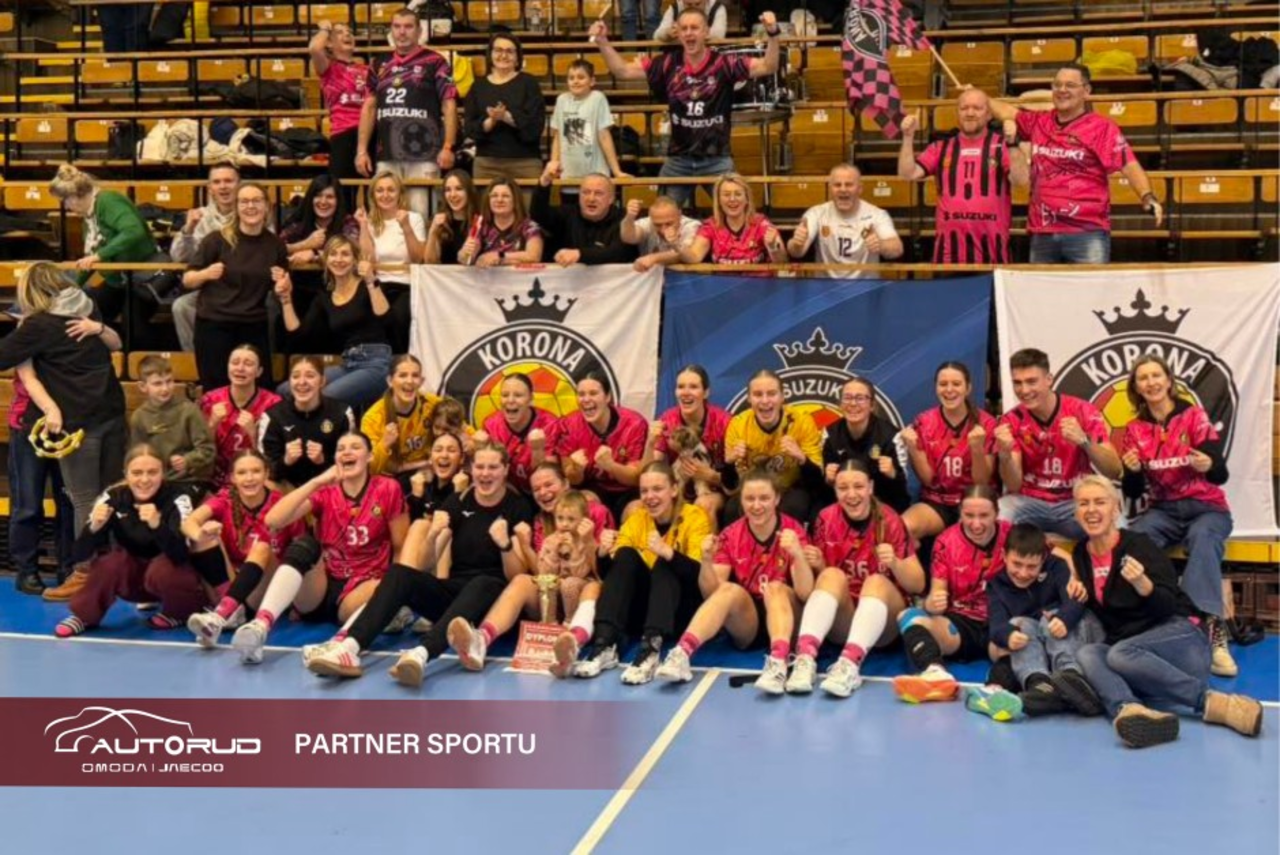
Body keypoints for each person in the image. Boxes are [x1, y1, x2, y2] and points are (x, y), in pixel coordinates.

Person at [304, 442, 534, 686]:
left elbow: (516, 576)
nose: (485, 474)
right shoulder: (458, 501)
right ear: (471, 469)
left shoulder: (517, 507)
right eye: (480, 467)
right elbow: (424, 564)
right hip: (456, 597)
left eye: (493, 467)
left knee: (484, 582)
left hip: (493, 604)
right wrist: (433, 534)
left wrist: (504, 545)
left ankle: (421, 654)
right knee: (400, 574)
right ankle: (350, 647)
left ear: (505, 470)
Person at [1070, 476, 1262, 749]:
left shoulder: (1139, 545)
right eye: (1083, 503)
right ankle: (1131, 710)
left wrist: (1143, 585)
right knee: (1088, 653)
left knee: (1119, 654)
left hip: (1182, 641)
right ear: (1075, 512)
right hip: (1138, 658)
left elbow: (1169, 605)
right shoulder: (1080, 553)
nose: (1091, 510)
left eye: (1099, 502)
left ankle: (1216, 703)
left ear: (1115, 509)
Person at [0, 262, 126, 603]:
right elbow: (114, 344)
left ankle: (85, 571)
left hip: (78, 421)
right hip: (111, 413)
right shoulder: (87, 307)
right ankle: (118, 568)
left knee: (84, 499)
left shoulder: (39, 324)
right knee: (111, 494)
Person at [231, 432, 409, 664]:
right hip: (320, 589)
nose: (347, 451)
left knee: (384, 585)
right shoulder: (326, 491)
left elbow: (400, 545)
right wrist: (317, 481)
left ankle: (339, 644)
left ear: (369, 456)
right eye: (341, 448)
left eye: (355, 447)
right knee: (305, 544)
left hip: (360, 591)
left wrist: (394, 595)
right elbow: (273, 520)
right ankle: (260, 626)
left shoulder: (387, 488)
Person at [590, 9, 781, 210]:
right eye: (684, 28)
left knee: (737, 212)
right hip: (678, 160)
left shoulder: (724, 63)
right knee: (663, 213)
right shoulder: (666, 63)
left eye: (695, 28)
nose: (689, 33)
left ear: (706, 32)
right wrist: (602, 41)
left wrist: (773, 34)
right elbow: (622, 71)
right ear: (678, 33)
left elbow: (769, 66)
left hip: (717, 159)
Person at [1121, 355, 1237, 677]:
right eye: (1143, 378)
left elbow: (1220, 474)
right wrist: (1132, 472)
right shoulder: (1134, 430)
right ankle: (1153, 623)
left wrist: (1209, 464)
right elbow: (1132, 492)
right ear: (1136, 387)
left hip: (1206, 507)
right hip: (1164, 511)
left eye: (1156, 375)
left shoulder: (1193, 416)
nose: (1151, 382)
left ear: (1169, 380)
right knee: (1135, 543)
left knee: (1203, 538)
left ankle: (1210, 630)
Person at [653, 468, 812, 694]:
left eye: (764, 498)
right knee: (728, 589)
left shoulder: (792, 531)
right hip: (749, 624)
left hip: (787, 615)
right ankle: (682, 653)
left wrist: (797, 553)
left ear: (777, 499)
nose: (756, 505)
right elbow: (712, 595)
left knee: (775, 588)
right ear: (741, 501)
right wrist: (706, 560)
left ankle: (779, 662)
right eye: (750, 499)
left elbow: (805, 593)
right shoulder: (731, 534)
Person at [986, 65, 1163, 263]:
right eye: (1057, 85)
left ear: (1086, 91)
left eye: (1070, 85)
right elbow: (1007, 111)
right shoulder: (1039, 122)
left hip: (1087, 232)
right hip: (1042, 232)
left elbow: (1128, 164)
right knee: (1042, 285)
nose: (1062, 90)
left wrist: (1147, 195)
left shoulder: (1102, 128)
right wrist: (978, 96)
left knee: (1089, 285)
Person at [788, 459, 925, 697]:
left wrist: (895, 562)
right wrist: (819, 564)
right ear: (835, 490)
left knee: (875, 581)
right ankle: (805, 659)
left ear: (871, 487)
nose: (851, 495)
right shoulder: (825, 518)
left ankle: (849, 666)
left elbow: (918, 585)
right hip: (844, 618)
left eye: (859, 486)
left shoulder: (889, 519)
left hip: (883, 624)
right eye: (843, 488)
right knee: (830, 574)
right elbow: (820, 585)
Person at [573, 462, 713, 682]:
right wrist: (602, 554)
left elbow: (699, 577)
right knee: (626, 554)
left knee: (664, 562)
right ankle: (605, 644)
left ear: (674, 489)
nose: (650, 497)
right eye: (644, 491)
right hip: (643, 612)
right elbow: (615, 576)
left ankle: (650, 650)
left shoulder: (695, 516)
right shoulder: (637, 519)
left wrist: (669, 553)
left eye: (657, 489)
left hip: (680, 612)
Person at [53, 444, 201, 638]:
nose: (144, 480)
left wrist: (158, 526)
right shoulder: (113, 497)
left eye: (152, 472)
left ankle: (179, 613)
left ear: (163, 474)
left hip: (171, 580)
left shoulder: (179, 497)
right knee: (111, 563)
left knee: (164, 568)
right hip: (135, 584)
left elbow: (181, 556)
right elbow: (79, 555)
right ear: (126, 474)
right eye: (137, 473)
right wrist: (93, 528)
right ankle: (84, 616)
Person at [447, 490, 602, 672]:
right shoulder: (551, 540)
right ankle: (481, 640)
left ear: (584, 520)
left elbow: (589, 572)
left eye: (571, 519)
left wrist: (577, 548)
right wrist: (554, 552)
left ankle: (572, 644)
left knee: (574, 584)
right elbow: (543, 573)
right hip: (552, 600)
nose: (565, 524)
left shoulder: (590, 539)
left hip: (579, 594)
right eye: (560, 518)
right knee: (522, 580)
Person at [970, 522, 1104, 721]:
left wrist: (1064, 619)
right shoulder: (996, 585)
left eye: (1032, 566)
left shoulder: (1057, 567)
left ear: (1043, 559)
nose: (1023, 573)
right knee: (1019, 624)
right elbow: (997, 625)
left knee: (1049, 619)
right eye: (1017, 564)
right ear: (1004, 556)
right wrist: (1009, 636)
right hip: (1040, 644)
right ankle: (1040, 684)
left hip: (1078, 634)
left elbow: (1076, 600)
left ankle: (1072, 676)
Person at [892, 486, 1008, 704]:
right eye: (969, 515)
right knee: (909, 617)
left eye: (984, 516)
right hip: (961, 625)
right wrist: (933, 603)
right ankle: (935, 674)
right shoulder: (946, 541)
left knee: (1020, 639)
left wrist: (1072, 578)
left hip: (1000, 623)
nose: (976, 524)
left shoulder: (1012, 535)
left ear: (997, 513)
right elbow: (936, 594)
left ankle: (996, 691)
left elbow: (1051, 555)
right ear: (959, 512)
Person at [996, 348, 1121, 540]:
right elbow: (1014, 484)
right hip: (1030, 501)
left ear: (1049, 379)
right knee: (996, 517)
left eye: (1031, 381)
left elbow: (1114, 471)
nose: (1024, 390)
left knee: (1118, 525)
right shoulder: (1011, 420)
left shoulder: (1082, 411)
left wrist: (1084, 441)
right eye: (1017, 383)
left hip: (1075, 500)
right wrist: (1004, 456)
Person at [183, 449, 306, 645]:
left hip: (266, 588)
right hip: (231, 583)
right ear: (232, 477)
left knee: (261, 548)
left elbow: (301, 551)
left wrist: (297, 604)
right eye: (241, 473)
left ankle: (223, 614)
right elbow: (189, 522)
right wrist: (201, 533)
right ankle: (230, 612)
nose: (249, 478)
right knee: (201, 536)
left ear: (266, 474)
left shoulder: (281, 505)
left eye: (256, 471)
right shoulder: (225, 499)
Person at [898, 89, 1027, 264]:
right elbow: (907, 174)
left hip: (993, 253)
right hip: (948, 254)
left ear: (989, 114)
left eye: (977, 108)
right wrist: (907, 137)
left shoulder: (1002, 146)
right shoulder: (940, 147)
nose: (970, 113)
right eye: (964, 108)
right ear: (957, 113)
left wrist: (1013, 143)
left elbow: (1020, 180)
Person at [183, 182, 288, 390]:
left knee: (260, 390)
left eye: (256, 201)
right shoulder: (216, 240)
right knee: (216, 391)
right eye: (244, 201)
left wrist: (282, 286)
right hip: (214, 325)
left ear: (267, 206)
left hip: (253, 325)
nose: (251, 206)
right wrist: (205, 274)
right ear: (236, 207)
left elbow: (281, 287)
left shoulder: (275, 245)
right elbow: (187, 279)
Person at [49, 164, 163, 349]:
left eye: (65, 201)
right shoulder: (88, 218)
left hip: (141, 277)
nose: (66, 207)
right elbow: (90, 259)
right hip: (118, 280)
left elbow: (133, 230)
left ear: (76, 195)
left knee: (132, 323)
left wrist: (100, 255)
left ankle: (142, 362)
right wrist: (73, 287)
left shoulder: (108, 201)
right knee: (88, 310)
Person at [356, 8, 458, 214]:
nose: (402, 32)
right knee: (384, 218)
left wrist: (448, 146)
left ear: (419, 31)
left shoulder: (436, 61)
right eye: (397, 26)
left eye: (408, 26)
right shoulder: (378, 63)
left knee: (421, 215)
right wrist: (361, 151)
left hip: (424, 154)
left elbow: (449, 105)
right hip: (386, 154)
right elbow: (369, 107)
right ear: (391, 30)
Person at [278, 235, 392, 410]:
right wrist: (286, 299)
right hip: (348, 364)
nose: (339, 259)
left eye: (345, 254)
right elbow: (298, 333)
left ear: (355, 260)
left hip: (376, 363)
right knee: (285, 390)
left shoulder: (367, 286)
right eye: (333, 254)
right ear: (326, 259)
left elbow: (385, 316)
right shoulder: (325, 298)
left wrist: (371, 281)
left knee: (324, 397)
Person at [900, 362, 996, 542]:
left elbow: (981, 482)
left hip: (975, 501)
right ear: (936, 388)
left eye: (956, 384)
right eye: (943, 384)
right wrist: (913, 449)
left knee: (970, 534)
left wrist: (976, 449)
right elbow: (928, 480)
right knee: (903, 528)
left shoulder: (987, 423)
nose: (949, 390)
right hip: (937, 502)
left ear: (968, 388)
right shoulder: (924, 421)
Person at [7, 374, 76, 595]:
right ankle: (26, 571)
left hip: (68, 421)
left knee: (68, 502)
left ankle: (68, 568)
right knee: (27, 504)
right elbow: (25, 375)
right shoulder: (24, 348)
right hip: (27, 424)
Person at [725, 370, 823, 523]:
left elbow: (817, 484)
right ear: (749, 398)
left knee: (794, 505)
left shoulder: (802, 421)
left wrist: (802, 458)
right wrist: (729, 463)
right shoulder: (738, 425)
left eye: (771, 394)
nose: (765, 401)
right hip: (753, 489)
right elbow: (729, 487)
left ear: (782, 396)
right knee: (732, 509)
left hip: (790, 489)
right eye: (758, 394)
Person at [556, 372, 647, 523]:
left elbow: (636, 478)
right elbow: (572, 480)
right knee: (583, 505)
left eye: (593, 393)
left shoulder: (634, 423)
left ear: (607, 397)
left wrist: (611, 466)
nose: (586, 399)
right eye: (581, 394)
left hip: (628, 491)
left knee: (637, 511)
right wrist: (576, 469)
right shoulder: (568, 425)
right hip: (592, 488)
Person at [646, 364, 731, 523]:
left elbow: (738, 478)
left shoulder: (724, 422)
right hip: (677, 488)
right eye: (681, 387)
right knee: (644, 506)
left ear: (706, 392)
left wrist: (711, 476)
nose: (685, 392)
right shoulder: (666, 420)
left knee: (703, 505)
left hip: (716, 490)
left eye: (693, 387)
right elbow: (652, 470)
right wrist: (650, 443)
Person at [170, 163, 240, 352]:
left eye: (228, 181)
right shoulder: (200, 216)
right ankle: (194, 361)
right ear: (210, 188)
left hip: (245, 287)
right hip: (211, 287)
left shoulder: (250, 211)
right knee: (182, 306)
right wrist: (189, 229)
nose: (223, 187)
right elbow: (178, 257)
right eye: (217, 182)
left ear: (239, 185)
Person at [786, 164, 905, 275]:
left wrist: (880, 245)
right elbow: (796, 252)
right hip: (826, 287)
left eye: (849, 185)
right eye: (837, 185)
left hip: (865, 287)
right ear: (830, 189)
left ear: (860, 189)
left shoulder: (877, 215)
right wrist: (797, 243)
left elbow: (897, 249)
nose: (843, 189)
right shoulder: (816, 213)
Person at [259, 356, 356, 489]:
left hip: (329, 486)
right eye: (295, 376)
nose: (302, 382)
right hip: (288, 489)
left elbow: (350, 465)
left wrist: (322, 461)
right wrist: (285, 461)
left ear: (322, 381)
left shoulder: (341, 413)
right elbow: (265, 470)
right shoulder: (273, 416)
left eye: (310, 376)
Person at [465, 34, 546, 193]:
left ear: (517, 57)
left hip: (525, 163)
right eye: (498, 50)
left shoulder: (529, 84)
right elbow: (469, 128)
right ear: (490, 54)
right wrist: (490, 121)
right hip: (487, 164)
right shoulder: (478, 87)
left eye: (509, 51)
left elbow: (535, 127)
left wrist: (507, 117)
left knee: (528, 208)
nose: (503, 55)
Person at [357, 171, 425, 353]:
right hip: (377, 284)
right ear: (373, 195)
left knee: (397, 318)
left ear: (399, 193)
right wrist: (363, 225)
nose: (385, 195)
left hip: (406, 285)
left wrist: (406, 226)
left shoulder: (414, 218)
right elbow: (369, 260)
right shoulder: (369, 221)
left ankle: (398, 361)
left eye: (390, 190)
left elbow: (418, 258)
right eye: (379, 190)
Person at [198, 345, 281, 490]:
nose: (240, 368)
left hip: (254, 479)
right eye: (235, 362)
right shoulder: (209, 400)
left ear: (259, 371)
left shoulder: (273, 404)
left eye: (248, 364)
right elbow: (200, 452)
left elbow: (273, 460)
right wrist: (213, 424)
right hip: (214, 480)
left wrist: (254, 434)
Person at [548, 59, 628, 211]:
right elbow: (558, 137)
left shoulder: (597, 98)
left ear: (592, 81)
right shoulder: (561, 100)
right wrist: (553, 163)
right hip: (569, 176)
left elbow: (604, 136)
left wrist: (616, 171)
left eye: (581, 77)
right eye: (571, 78)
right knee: (570, 217)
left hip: (595, 175)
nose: (575, 81)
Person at [822, 376, 909, 513]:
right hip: (844, 504)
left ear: (872, 405)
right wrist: (828, 478)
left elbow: (902, 487)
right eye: (847, 397)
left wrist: (893, 474)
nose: (853, 403)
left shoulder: (891, 436)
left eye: (860, 398)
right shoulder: (830, 434)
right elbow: (826, 488)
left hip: (882, 504)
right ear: (840, 404)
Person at [128, 354, 216, 490]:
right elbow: (137, 456)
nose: (165, 388)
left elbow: (208, 450)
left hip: (189, 481)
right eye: (157, 383)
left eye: (169, 381)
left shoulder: (189, 410)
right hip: (155, 482)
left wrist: (188, 460)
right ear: (143, 386)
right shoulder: (139, 417)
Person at [310, 19, 372, 210]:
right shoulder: (328, 67)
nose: (347, 35)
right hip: (344, 132)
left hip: (370, 131)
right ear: (329, 42)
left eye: (349, 32)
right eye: (340, 32)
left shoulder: (367, 70)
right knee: (342, 192)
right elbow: (314, 48)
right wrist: (325, 28)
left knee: (373, 191)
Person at [361, 354, 443, 481]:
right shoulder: (372, 418)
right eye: (403, 375)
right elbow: (369, 468)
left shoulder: (433, 404)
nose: (409, 381)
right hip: (390, 479)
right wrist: (385, 443)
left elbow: (463, 430)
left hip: (428, 470)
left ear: (422, 381)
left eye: (415, 376)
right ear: (390, 381)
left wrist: (471, 441)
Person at [679, 174, 787, 267]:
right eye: (726, 195)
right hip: (723, 284)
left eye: (738, 194)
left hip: (758, 283)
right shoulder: (710, 225)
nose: (732, 199)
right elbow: (694, 256)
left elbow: (783, 261)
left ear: (747, 199)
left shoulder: (761, 223)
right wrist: (676, 244)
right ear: (718, 200)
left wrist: (773, 247)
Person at [532, 170, 636, 266]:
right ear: (579, 196)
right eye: (586, 192)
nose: (591, 198)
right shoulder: (567, 214)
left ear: (611, 199)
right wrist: (544, 181)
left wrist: (580, 254)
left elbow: (619, 253)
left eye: (598, 193)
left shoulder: (623, 218)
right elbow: (539, 215)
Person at [478, 373, 561, 492]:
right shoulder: (491, 425)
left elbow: (548, 477)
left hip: (541, 491)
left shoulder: (550, 424)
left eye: (518, 395)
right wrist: (476, 449)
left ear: (530, 399)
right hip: (505, 491)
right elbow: (488, 474)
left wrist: (537, 451)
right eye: (505, 395)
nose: (510, 400)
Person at [457, 178, 545, 267]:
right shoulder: (481, 224)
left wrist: (500, 256)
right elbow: (466, 259)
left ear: (515, 200)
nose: (499, 200)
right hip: (488, 276)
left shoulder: (529, 226)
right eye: (494, 196)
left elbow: (534, 256)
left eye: (505, 196)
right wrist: (465, 254)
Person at [280, 174, 361, 270]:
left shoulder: (348, 222)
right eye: (318, 196)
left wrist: (315, 255)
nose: (323, 201)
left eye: (329, 197)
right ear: (311, 198)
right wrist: (305, 244)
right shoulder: (299, 221)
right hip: (298, 278)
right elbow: (276, 249)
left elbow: (351, 253)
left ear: (338, 201)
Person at [620, 196, 701, 272]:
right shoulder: (647, 223)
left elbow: (689, 256)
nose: (663, 230)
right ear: (651, 218)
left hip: (685, 276)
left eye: (669, 224)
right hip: (651, 276)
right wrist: (629, 218)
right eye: (658, 225)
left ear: (679, 215)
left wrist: (654, 258)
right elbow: (629, 238)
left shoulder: (691, 226)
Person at [406, 432, 468, 521]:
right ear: (430, 458)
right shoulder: (421, 485)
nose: (444, 455)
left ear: (462, 458)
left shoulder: (469, 488)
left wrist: (457, 494)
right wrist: (415, 497)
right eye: (438, 450)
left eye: (451, 450)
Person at [423, 169, 481, 265]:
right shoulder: (439, 221)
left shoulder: (479, 221)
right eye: (448, 190)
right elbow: (430, 262)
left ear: (469, 192)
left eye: (459, 189)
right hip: (444, 275)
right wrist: (432, 232)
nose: (453, 195)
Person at [653, 0, 726, 41]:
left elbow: (719, 35)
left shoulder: (717, 8)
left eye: (698, 4)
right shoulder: (675, 7)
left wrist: (684, 33)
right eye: (689, 5)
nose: (693, 8)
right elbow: (656, 36)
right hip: (679, 54)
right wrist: (667, 33)